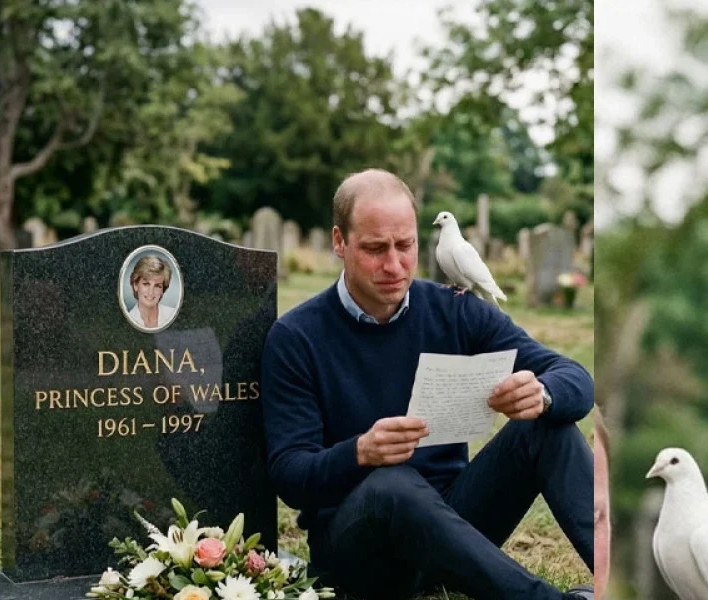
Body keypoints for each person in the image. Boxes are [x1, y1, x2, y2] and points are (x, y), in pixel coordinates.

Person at [260, 169, 595, 600]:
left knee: (550, 425)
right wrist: (360, 452)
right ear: (339, 242)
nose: (395, 265)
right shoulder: (295, 337)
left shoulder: (454, 310)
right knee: (392, 482)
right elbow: (289, 474)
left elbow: (576, 378)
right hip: (359, 550)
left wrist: (543, 393)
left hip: (455, 525)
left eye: (406, 245)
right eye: (375, 249)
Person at [126, 254, 177, 330]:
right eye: (146, 284)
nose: (151, 292)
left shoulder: (172, 314)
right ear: (135, 285)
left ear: (163, 290)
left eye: (157, 286)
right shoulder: (128, 320)